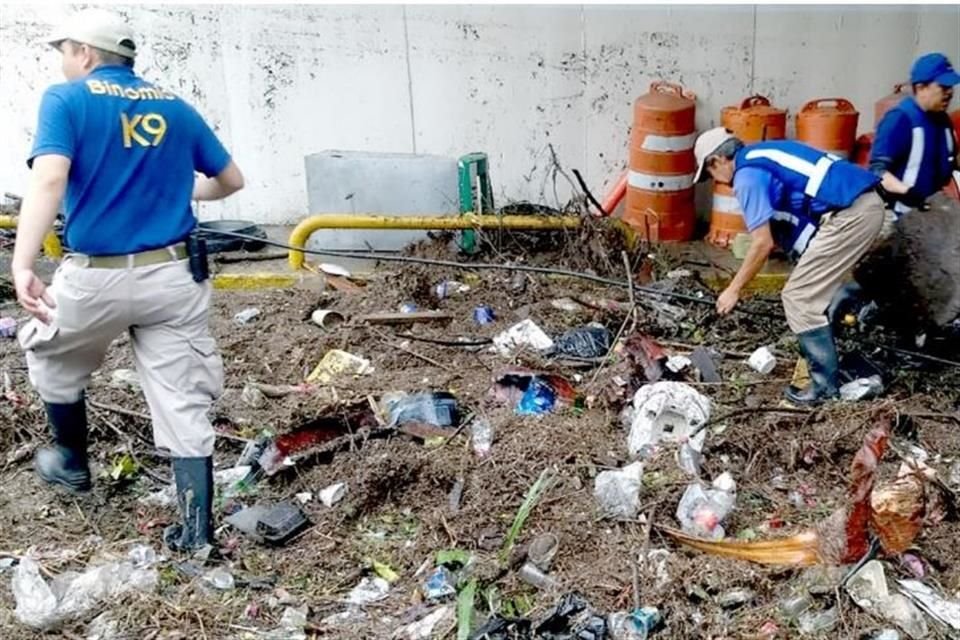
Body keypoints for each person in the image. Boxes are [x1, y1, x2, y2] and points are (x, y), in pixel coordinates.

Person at [11, 9, 244, 553]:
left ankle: (72, 464)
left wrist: (22, 264)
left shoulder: (66, 100)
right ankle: (195, 537)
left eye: (64, 51)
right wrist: (179, 192)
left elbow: (49, 178)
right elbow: (230, 181)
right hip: (174, 277)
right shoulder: (174, 105)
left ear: (85, 55)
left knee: (51, 355)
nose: (62, 62)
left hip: (98, 277)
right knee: (180, 397)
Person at [693, 128, 885, 405]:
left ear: (717, 161)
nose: (716, 181)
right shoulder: (763, 154)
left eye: (710, 174)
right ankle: (849, 315)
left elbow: (762, 243)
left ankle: (823, 390)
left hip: (850, 215)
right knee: (814, 288)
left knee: (798, 297)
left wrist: (733, 289)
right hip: (865, 203)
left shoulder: (746, 177)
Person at [871, 52, 960, 216]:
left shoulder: (943, 121)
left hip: (929, 212)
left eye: (951, 87)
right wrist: (907, 192)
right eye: (943, 87)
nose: (949, 93)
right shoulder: (900, 119)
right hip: (897, 214)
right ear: (921, 87)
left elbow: (951, 163)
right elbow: (877, 172)